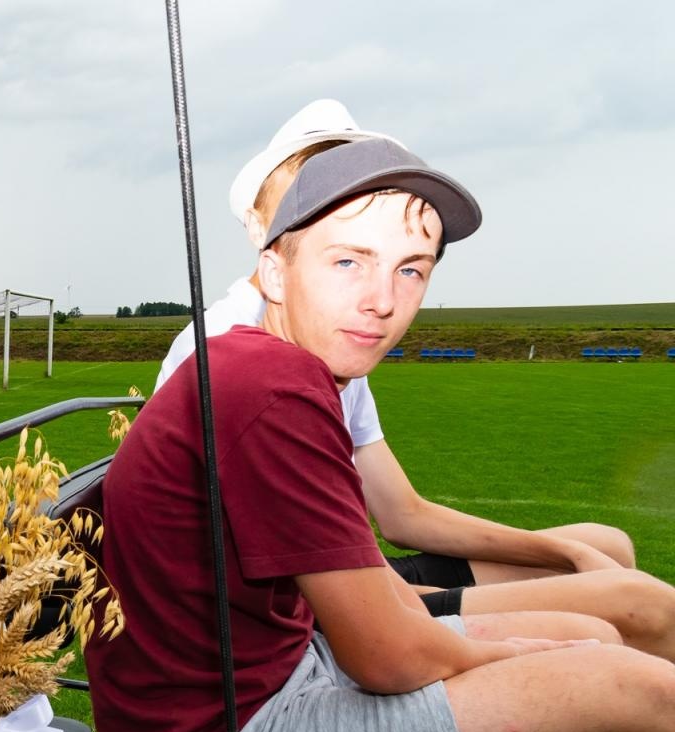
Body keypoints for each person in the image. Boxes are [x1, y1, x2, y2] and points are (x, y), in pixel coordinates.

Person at [91, 138, 675, 732]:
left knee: (594, 632)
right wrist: (529, 672)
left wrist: (541, 673)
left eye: (412, 269)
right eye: (347, 261)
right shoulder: (268, 385)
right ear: (272, 269)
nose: (383, 299)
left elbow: (372, 599)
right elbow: (387, 656)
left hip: (262, 689)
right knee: (644, 699)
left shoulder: (276, 366)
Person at [154, 101, 675, 663]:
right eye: (311, 191)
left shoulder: (331, 343)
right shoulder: (238, 351)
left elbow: (400, 513)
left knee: (605, 546)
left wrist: (566, 553)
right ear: (266, 229)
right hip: (299, 618)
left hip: (347, 583)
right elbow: (345, 609)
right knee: (631, 607)